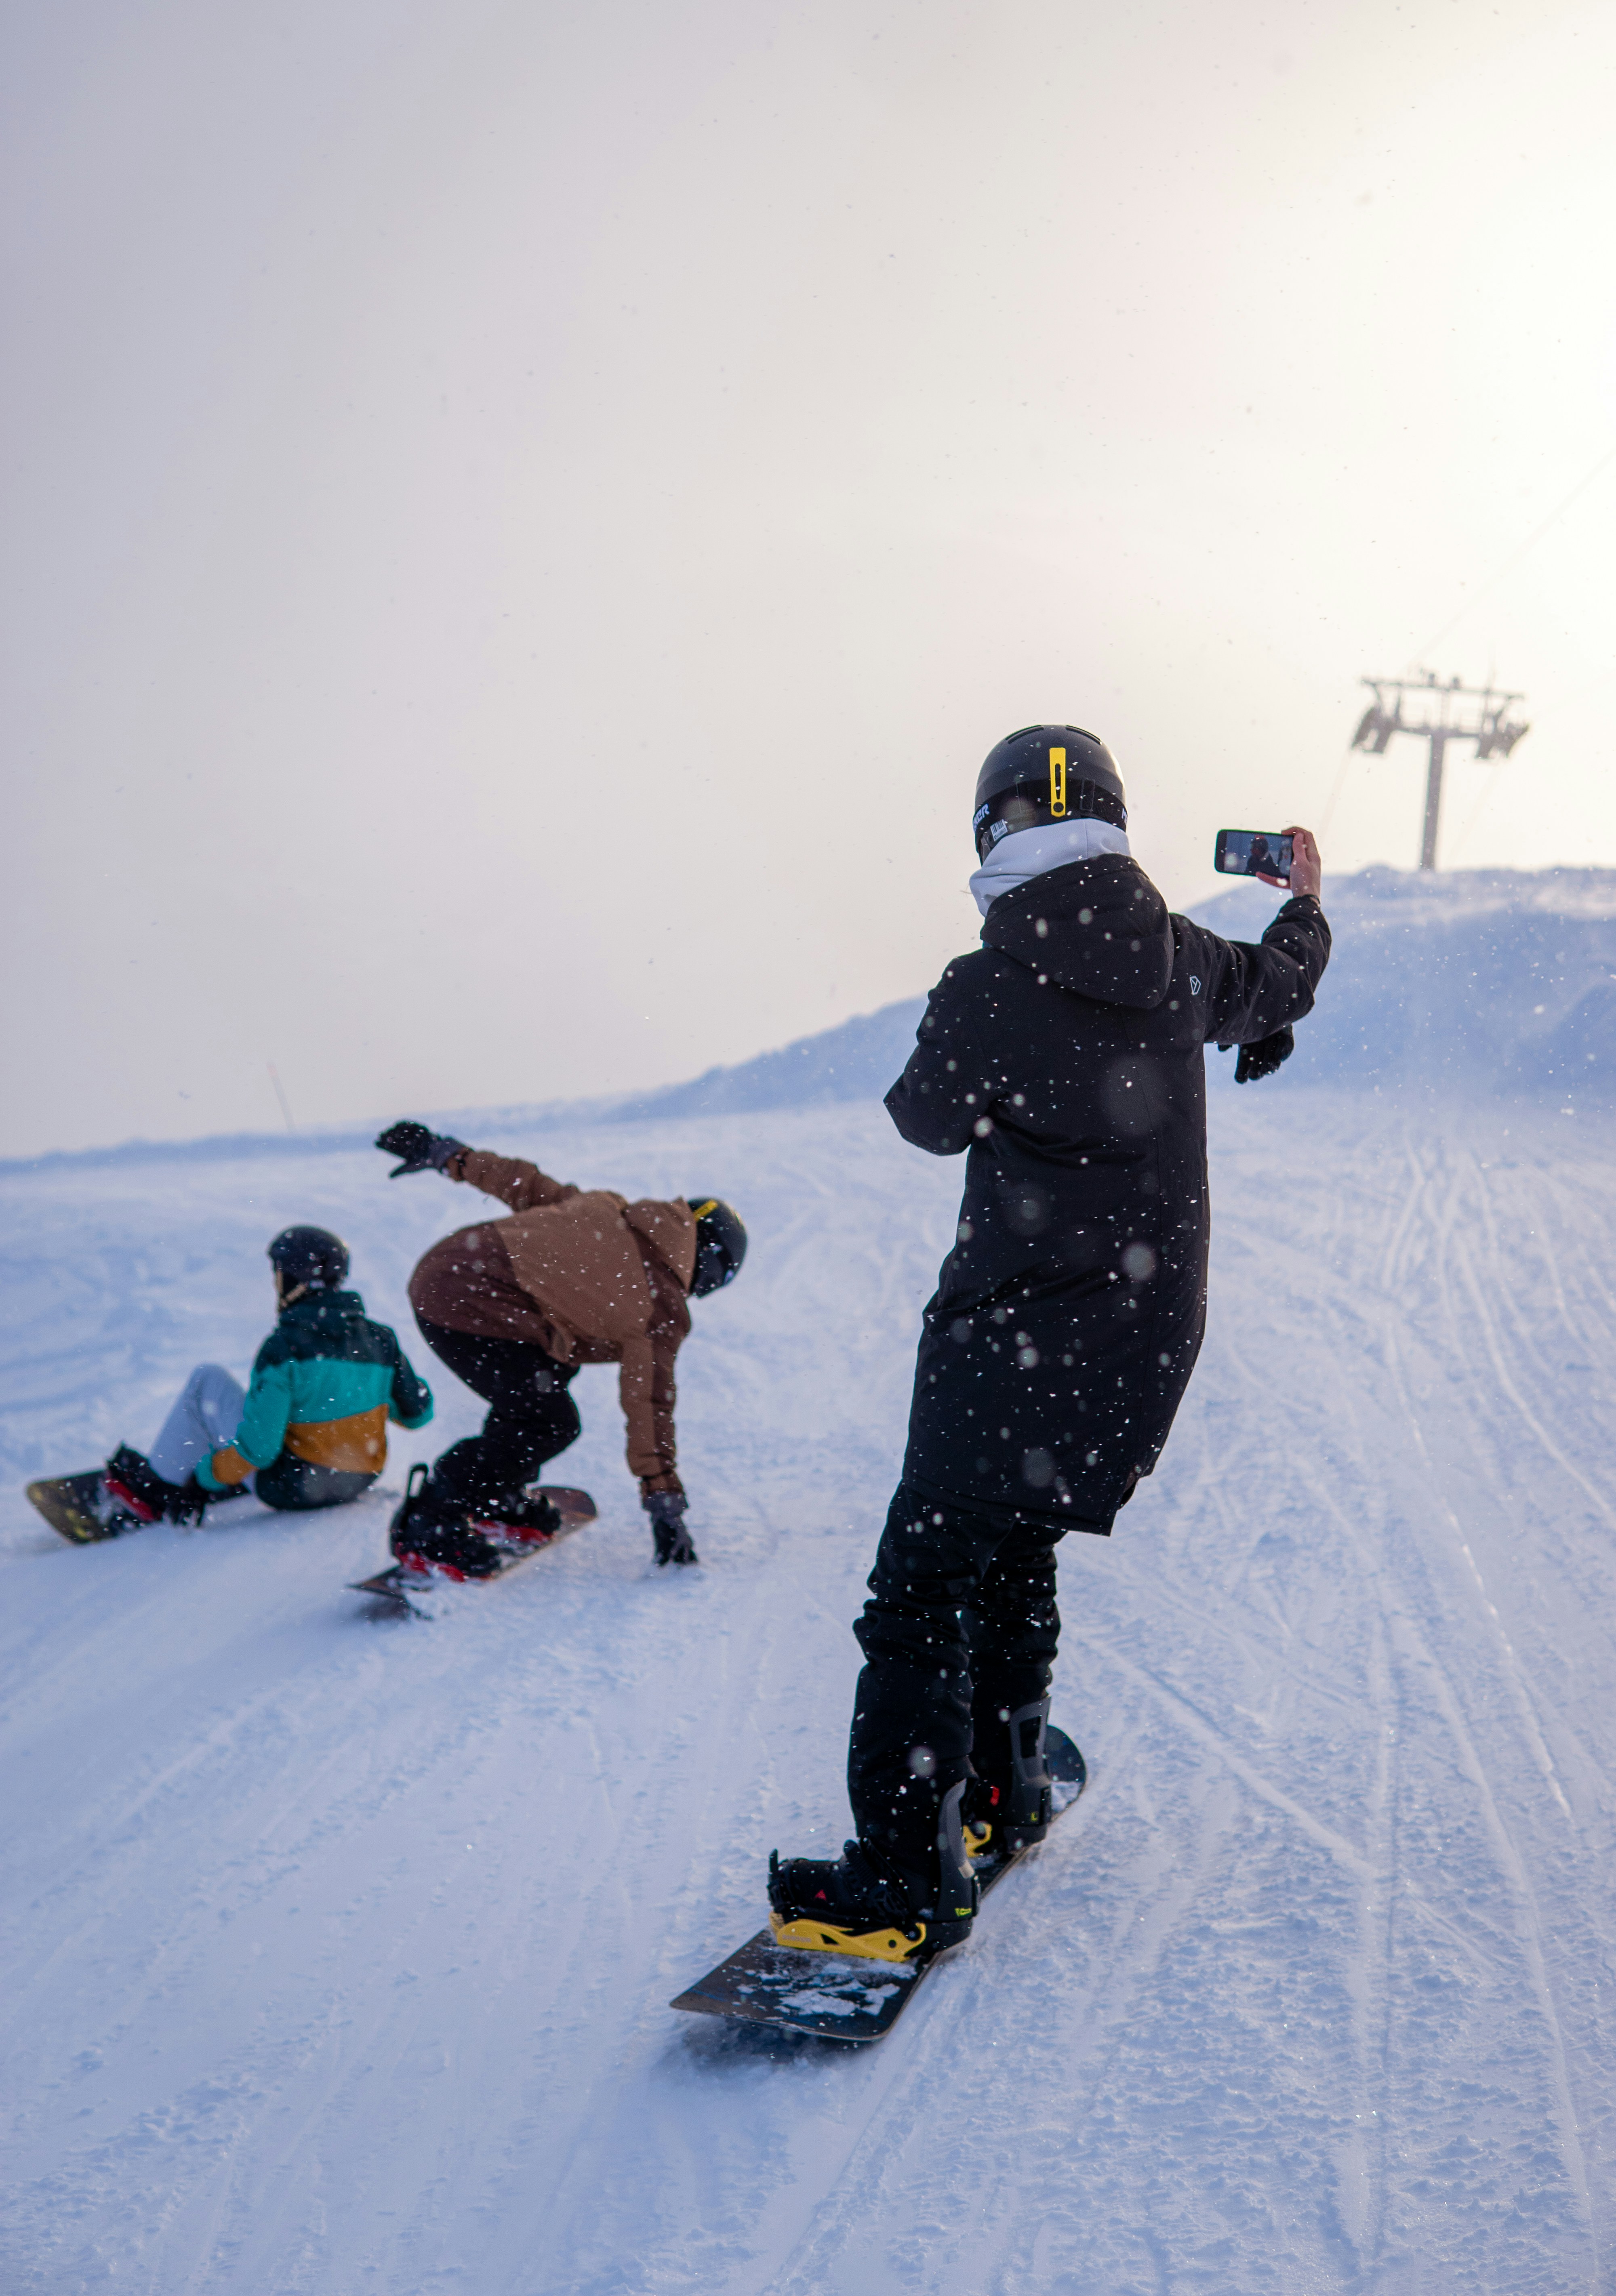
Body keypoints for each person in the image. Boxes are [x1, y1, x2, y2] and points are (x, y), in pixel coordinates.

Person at [768, 723, 1330, 1957]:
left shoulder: (987, 984)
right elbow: (1282, 983)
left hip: (1005, 1339)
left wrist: (970, 1016)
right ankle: (1004, 1784)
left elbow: (924, 1119)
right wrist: (1304, 904)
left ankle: (907, 1872)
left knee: (919, 1593)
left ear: (991, 832)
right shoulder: (1181, 960)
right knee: (1015, 1541)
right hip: (1139, 1345)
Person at [373, 1124, 747, 1578]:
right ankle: (430, 1523)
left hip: (449, 1271)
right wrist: (663, 1503)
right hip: (471, 1303)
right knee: (547, 1420)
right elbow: (649, 1404)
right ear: (708, 1263)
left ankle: (497, 1497)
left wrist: (447, 1154)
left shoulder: (607, 1209)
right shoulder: (661, 1303)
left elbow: (523, 1183)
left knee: (547, 1377)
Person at [90, 1226, 433, 1534]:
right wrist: (363, 1394)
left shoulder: (284, 1348)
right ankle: (226, 1467)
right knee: (280, 1414)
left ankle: (154, 1492)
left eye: (279, 1274)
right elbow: (418, 1414)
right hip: (359, 1480)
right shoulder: (380, 1339)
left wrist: (203, 1478)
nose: (275, 1283)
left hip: (294, 1488)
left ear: (295, 1281)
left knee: (207, 1381)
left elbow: (261, 1450)